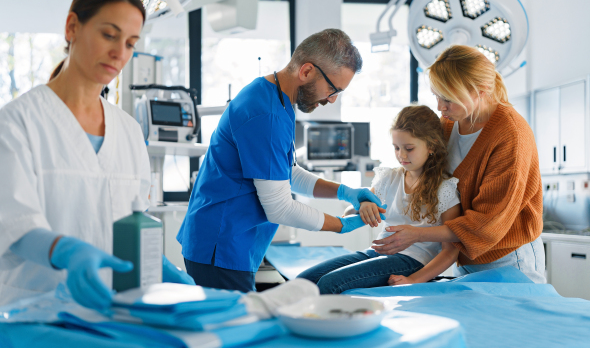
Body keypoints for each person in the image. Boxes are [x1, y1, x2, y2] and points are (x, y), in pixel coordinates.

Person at [0, 0, 193, 310]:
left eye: (131, 43)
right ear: (72, 27)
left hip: (113, 312)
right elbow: (14, 224)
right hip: (37, 312)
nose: (119, 53)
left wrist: (159, 266)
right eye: (109, 35)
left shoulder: (130, 133)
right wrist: (65, 251)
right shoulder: (17, 124)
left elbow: (133, 222)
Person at [177, 29, 386, 292]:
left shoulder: (273, 96)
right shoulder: (267, 115)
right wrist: (341, 225)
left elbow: (287, 173)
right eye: (333, 89)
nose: (332, 100)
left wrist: (345, 193)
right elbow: (279, 207)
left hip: (227, 241)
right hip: (222, 247)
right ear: (307, 71)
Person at [371, 45, 545, 283]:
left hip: (508, 260)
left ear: (481, 91)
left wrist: (417, 235)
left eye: (448, 99)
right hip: (462, 256)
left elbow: (486, 224)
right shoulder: (449, 123)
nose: (440, 107)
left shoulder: (511, 136)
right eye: (437, 96)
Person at [297, 106, 461, 293]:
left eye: (409, 148)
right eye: (396, 148)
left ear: (431, 145)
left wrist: (414, 279)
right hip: (377, 252)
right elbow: (351, 212)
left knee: (329, 284)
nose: (401, 155)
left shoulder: (444, 189)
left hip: (412, 260)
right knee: (304, 280)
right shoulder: (389, 178)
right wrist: (363, 205)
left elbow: (451, 251)